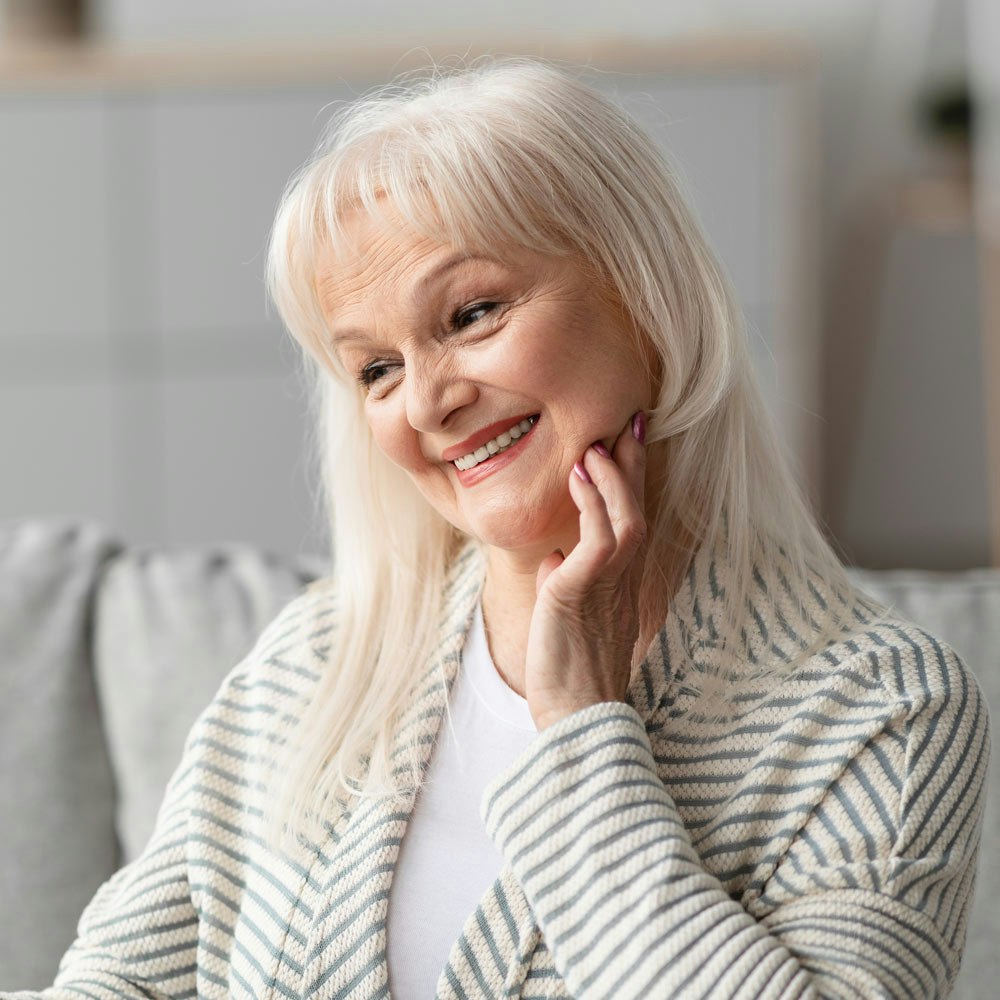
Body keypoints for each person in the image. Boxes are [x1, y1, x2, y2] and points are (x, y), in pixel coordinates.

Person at [3, 57, 989, 1000]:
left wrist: (580, 732)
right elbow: (120, 982)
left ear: (645, 293)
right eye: (375, 368)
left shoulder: (884, 709)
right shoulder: (315, 663)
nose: (426, 401)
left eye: (471, 313)